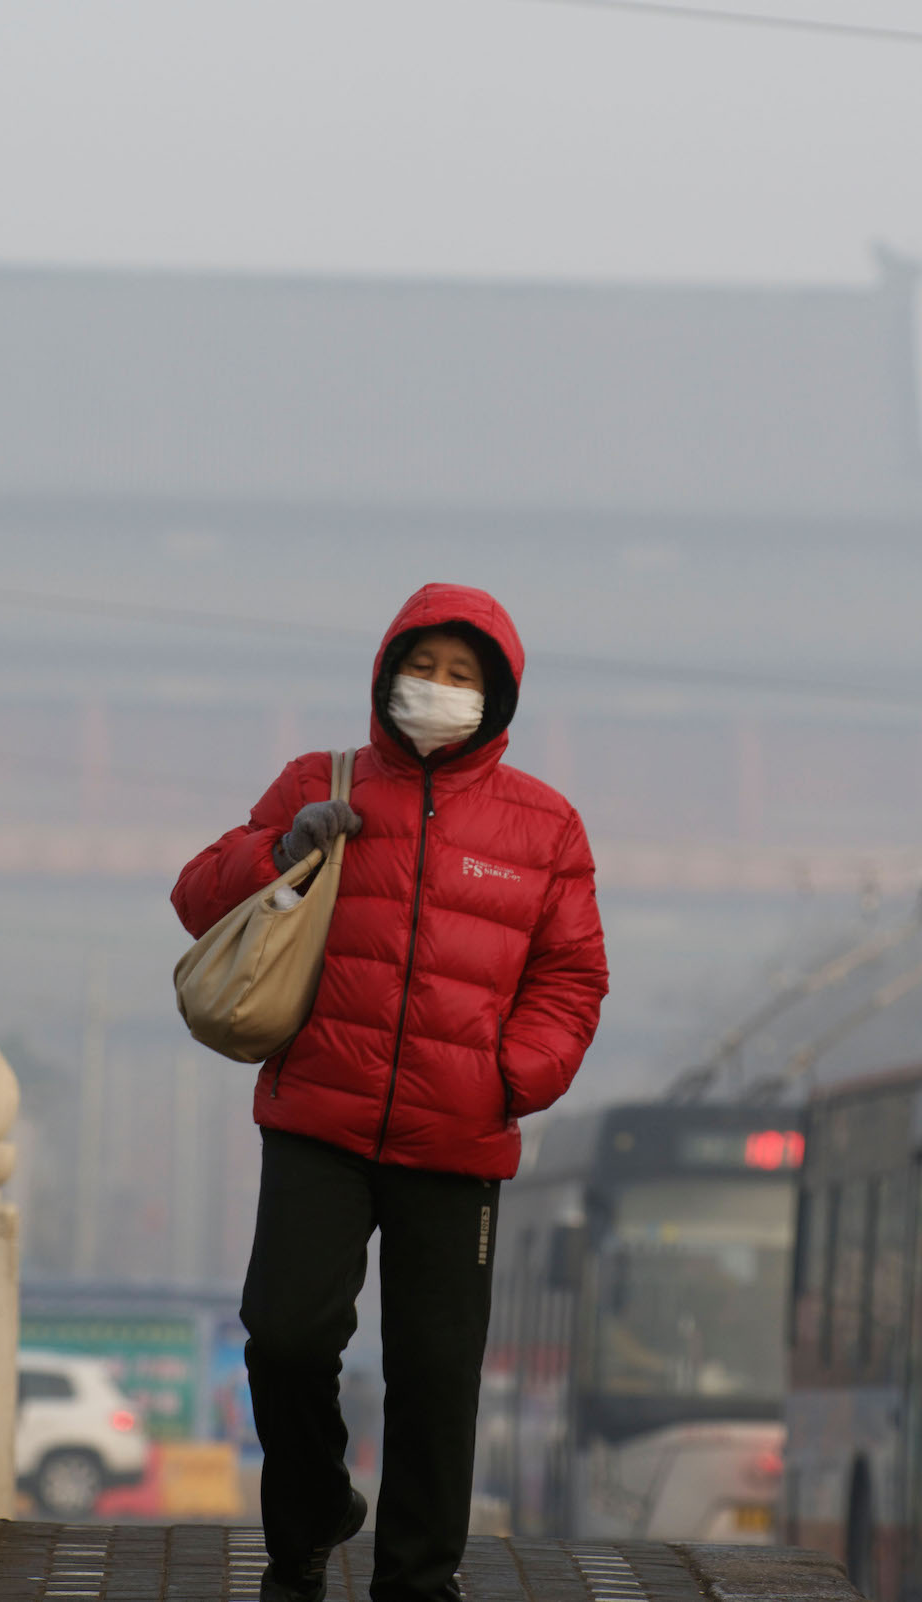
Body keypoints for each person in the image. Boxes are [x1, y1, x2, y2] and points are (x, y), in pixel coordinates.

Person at [173, 584, 609, 1602]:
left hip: (458, 1139)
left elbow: (571, 978)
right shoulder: (315, 781)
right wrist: (278, 852)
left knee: (435, 1374)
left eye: (465, 677)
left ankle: (416, 1578)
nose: (441, 690)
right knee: (283, 1337)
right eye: (426, 669)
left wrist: (514, 1077)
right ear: (386, 674)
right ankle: (311, 1520)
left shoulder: (545, 828)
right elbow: (196, 896)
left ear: (498, 698)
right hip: (320, 1116)